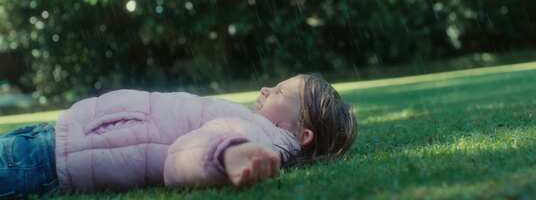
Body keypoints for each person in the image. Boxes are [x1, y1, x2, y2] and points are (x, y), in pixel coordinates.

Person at [0, 73, 357, 198]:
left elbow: (185, 155)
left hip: (47, 159)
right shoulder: (257, 126)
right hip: (52, 142)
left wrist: (228, 154)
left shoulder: (257, 136)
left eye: (279, 92)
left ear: (303, 134)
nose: (265, 89)